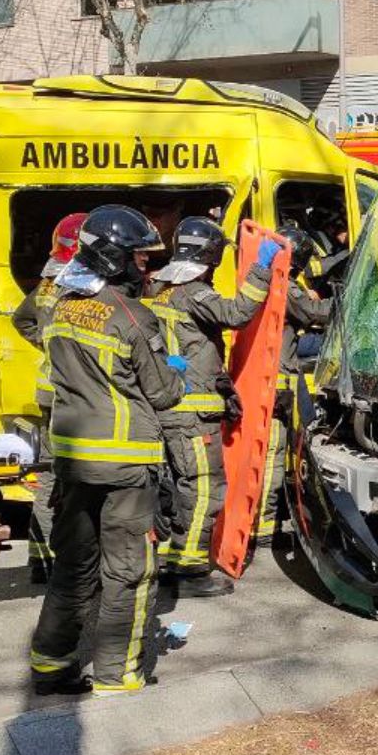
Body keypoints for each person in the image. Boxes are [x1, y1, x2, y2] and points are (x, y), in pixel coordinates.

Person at [29, 206, 183, 698]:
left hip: (73, 461)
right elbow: (163, 394)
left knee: (73, 567)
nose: (145, 268)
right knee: (128, 573)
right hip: (125, 468)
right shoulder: (133, 317)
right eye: (139, 258)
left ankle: (50, 665)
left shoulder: (58, 306)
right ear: (115, 257)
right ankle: (119, 674)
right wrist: (172, 366)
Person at [146, 218, 283, 597]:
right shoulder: (192, 293)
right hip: (191, 413)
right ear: (212, 256)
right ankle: (189, 571)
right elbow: (238, 313)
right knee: (203, 487)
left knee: (178, 489)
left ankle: (176, 558)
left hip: (169, 408)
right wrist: (261, 268)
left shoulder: (159, 287)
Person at [11, 212, 89, 584]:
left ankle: (40, 560)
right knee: (68, 479)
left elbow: (21, 319)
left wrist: (43, 342)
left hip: (48, 391)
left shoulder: (45, 284)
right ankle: (64, 561)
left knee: (47, 478)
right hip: (69, 393)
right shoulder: (73, 283)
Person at [259, 226, 332, 544]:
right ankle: (265, 527)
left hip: (265, 378)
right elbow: (312, 311)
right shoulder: (283, 284)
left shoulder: (257, 277)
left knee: (268, 453)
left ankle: (264, 524)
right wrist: (347, 303)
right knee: (276, 453)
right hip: (279, 382)